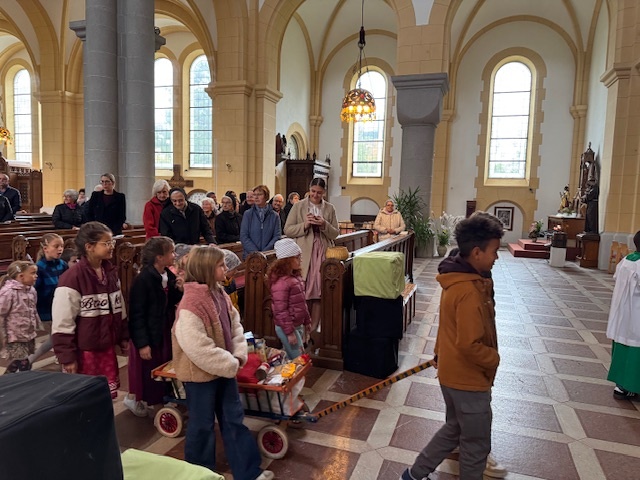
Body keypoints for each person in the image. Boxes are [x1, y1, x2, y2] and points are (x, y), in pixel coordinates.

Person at [401, 213, 503, 480]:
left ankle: (414, 474)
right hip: (468, 379)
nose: (497, 257)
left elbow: (448, 325)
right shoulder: (469, 291)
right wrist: (493, 359)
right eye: (494, 251)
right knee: (476, 444)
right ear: (477, 252)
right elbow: (469, 343)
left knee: (454, 429)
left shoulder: (456, 279)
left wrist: (440, 353)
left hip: (452, 372)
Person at [171, 246, 274, 480]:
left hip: (225, 370)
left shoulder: (219, 292)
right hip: (200, 377)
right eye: (220, 265)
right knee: (202, 426)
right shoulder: (190, 304)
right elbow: (198, 347)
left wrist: (237, 355)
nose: (226, 268)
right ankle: (200, 474)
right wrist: (230, 363)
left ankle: (249, 472)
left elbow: (235, 325)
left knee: (234, 420)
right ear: (206, 269)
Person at [52, 221, 129, 399]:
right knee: (83, 396)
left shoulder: (110, 272)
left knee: (104, 395)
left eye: (112, 242)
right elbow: (63, 321)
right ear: (89, 247)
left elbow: (120, 306)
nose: (112, 246)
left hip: (105, 345)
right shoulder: (72, 278)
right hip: (85, 350)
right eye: (106, 243)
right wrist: (67, 356)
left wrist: (123, 336)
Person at [124, 237, 183, 417]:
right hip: (149, 333)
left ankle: (165, 399)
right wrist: (142, 344)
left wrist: (179, 290)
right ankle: (155, 406)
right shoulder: (143, 279)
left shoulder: (167, 274)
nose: (175, 255)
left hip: (163, 329)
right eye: (171, 252)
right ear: (159, 257)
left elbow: (169, 301)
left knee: (165, 366)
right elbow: (137, 314)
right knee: (152, 371)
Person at [284, 178, 339, 332]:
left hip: (322, 251)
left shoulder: (329, 208)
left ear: (324, 193)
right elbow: (288, 230)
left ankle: (314, 329)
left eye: (319, 193)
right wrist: (305, 225)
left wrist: (324, 224)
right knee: (304, 290)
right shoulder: (299, 206)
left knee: (318, 291)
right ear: (309, 189)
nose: (315, 195)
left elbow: (335, 233)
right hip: (304, 253)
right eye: (313, 191)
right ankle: (303, 328)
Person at [606, 230, 640, 399]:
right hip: (636, 316)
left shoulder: (626, 260)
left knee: (623, 347)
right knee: (635, 349)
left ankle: (621, 386)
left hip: (622, 316)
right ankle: (632, 387)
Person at [268, 238, 311, 360]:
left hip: (296, 324)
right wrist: (289, 333)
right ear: (286, 261)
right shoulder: (281, 283)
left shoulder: (295, 278)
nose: (300, 260)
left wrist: (307, 321)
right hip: (286, 327)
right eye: (297, 257)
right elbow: (280, 311)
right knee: (299, 359)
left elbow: (301, 303)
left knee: (293, 357)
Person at [29, 233, 68, 366]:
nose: (60, 249)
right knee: (56, 337)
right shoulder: (39, 268)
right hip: (46, 308)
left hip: (60, 306)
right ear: (45, 248)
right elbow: (34, 291)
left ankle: (59, 356)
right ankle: (28, 361)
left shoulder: (62, 264)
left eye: (62, 246)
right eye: (56, 246)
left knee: (56, 337)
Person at [0, 260, 41, 373]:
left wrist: (36, 323)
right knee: (24, 363)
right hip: (14, 335)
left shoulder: (32, 290)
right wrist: (3, 335)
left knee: (17, 362)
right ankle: (27, 380)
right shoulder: (8, 292)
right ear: (21, 276)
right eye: (33, 273)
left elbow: (33, 309)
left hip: (28, 333)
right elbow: (1, 314)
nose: (36, 276)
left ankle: (6, 379)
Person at [239, 184, 281, 259]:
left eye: (259, 194)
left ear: (266, 196)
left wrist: (265, 252)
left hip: (268, 255)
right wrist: (256, 253)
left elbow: (277, 236)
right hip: (251, 256)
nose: (256, 197)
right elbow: (244, 236)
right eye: (254, 195)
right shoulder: (248, 214)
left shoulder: (274, 216)